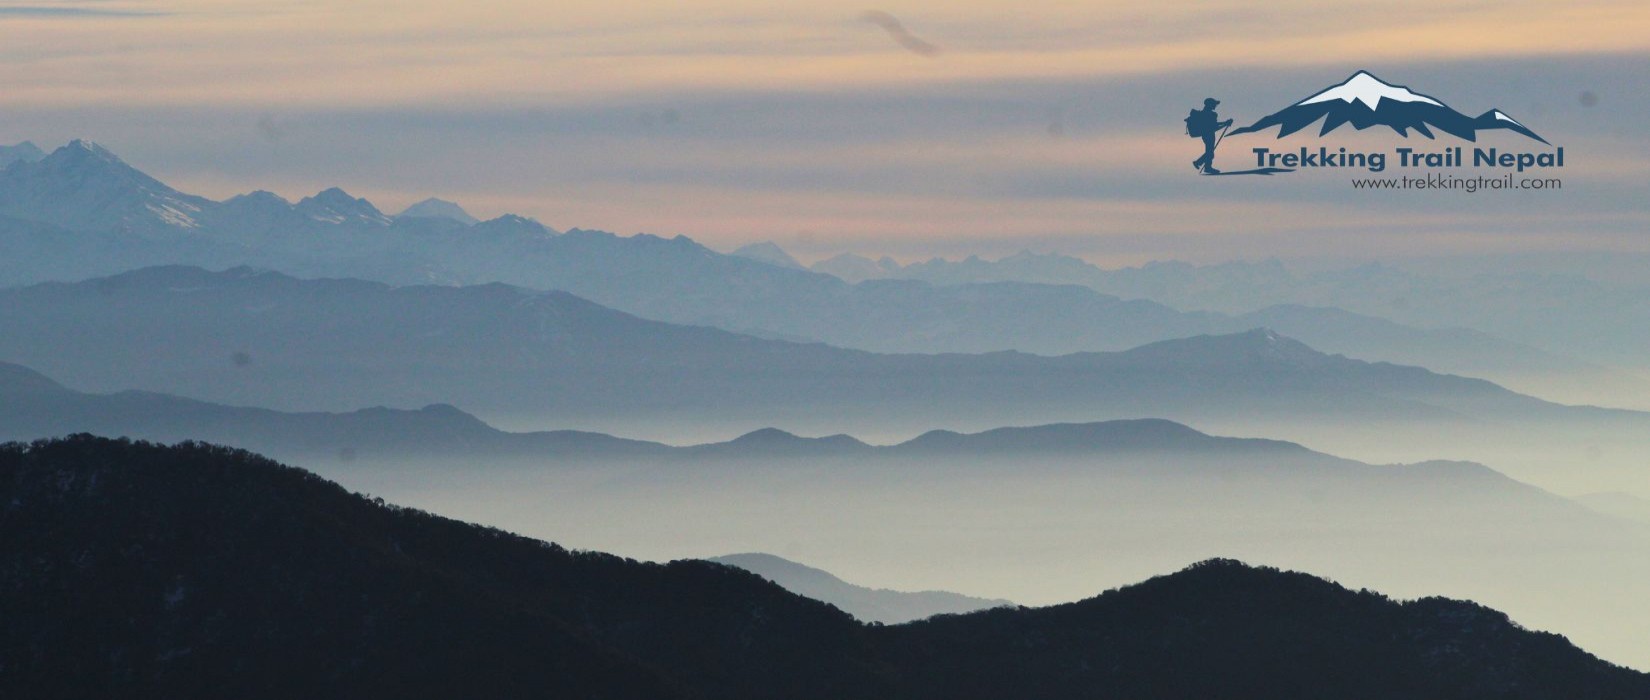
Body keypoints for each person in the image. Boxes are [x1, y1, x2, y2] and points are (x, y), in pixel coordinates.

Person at [1187, 98, 1233, 174]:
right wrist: (1225, 124)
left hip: (1205, 135)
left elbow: (1213, 125)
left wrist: (1225, 123)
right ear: (1210, 105)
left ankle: (1204, 165)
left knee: (1210, 152)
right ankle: (1203, 165)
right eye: (1214, 104)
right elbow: (1214, 127)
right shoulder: (1212, 114)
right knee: (1210, 152)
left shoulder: (1204, 113)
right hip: (1209, 135)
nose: (1215, 105)